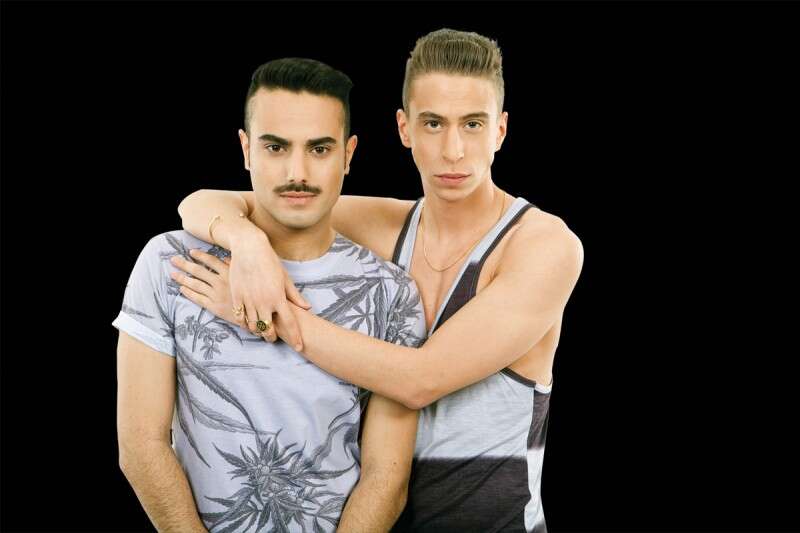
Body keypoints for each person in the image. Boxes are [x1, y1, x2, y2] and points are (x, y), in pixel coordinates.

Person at [175, 29, 583, 532]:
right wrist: (248, 243)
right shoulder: (387, 226)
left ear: (500, 130)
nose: (453, 150)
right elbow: (205, 202)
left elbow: (420, 380)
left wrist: (271, 314)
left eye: (473, 124)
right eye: (433, 123)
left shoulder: (543, 245)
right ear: (404, 128)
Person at [114, 57, 426, 533]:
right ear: (246, 149)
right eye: (275, 147)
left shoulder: (391, 293)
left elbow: (387, 476)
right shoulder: (171, 262)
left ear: (348, 154)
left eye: (319, 149)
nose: (297, 172)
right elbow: (140, 444)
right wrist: (247, 242)